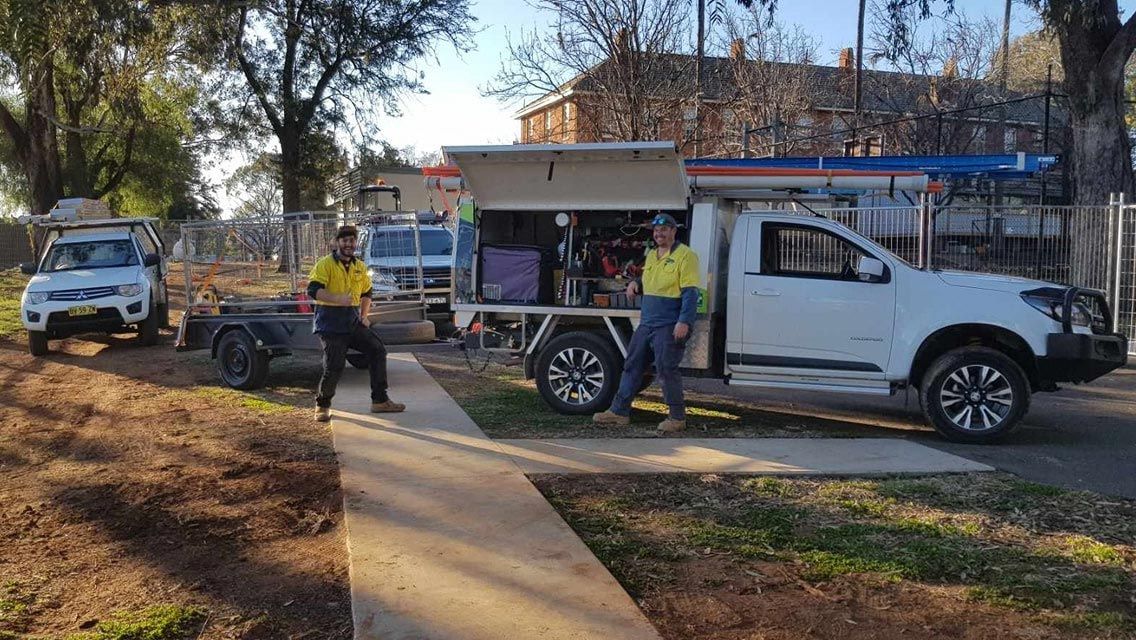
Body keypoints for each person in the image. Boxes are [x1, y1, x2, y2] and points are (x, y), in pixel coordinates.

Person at [593, 213, 699, 433]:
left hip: (669, 322)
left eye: (664, 229)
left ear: (673, 231)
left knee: (666, 368)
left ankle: (677, 417)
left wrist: (684, 322)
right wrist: (635, 283)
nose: (659, 233)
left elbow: (690, 293)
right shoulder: (652, 254)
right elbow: (649, 277)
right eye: (656, 230)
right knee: (632, 364)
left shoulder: (686, 256)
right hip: (648, 321)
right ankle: (618, 412)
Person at [308, 225, 405, 422]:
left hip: (352, 320)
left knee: (377, 350)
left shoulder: (359, 266)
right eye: (344, 241)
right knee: (334, 366)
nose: (348, 244)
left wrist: (364, 315)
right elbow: (313, 290)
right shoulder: (325, 264)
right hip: (330, 323)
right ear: (337, 243)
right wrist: (337, 299)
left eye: (352, 240)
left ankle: (379, 400)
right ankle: (322, 404)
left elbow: (367, 292)